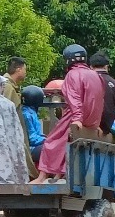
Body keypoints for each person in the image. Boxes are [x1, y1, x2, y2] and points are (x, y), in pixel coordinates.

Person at [30, 44, 104, 184]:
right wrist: (96, 123)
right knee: (64, 142)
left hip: (77, 116)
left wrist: (77, 119)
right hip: (91, 120)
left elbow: (74, 98)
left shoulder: (72, 74)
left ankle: (42, 177)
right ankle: (59, 175)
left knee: (51, 141)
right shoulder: (95, 75)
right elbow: (100, 101)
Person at [2, 56, 39, 179]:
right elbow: (5, 112)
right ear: (18, 69)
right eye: (24, 69)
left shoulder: (11, 87)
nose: (25, 72)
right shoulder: (7, 87)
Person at [89, 50, 115, 138]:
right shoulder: (113, 82)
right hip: (106, 128)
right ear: (106, 67)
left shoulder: (87, 81)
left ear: (91, 67)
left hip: (89, 126)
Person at [21, 85, 46, 164]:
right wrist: (46, 140)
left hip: (35, 145)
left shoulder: (31, 112)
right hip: (30, 149)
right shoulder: (27, 115)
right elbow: (32, 138)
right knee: (54, 148)